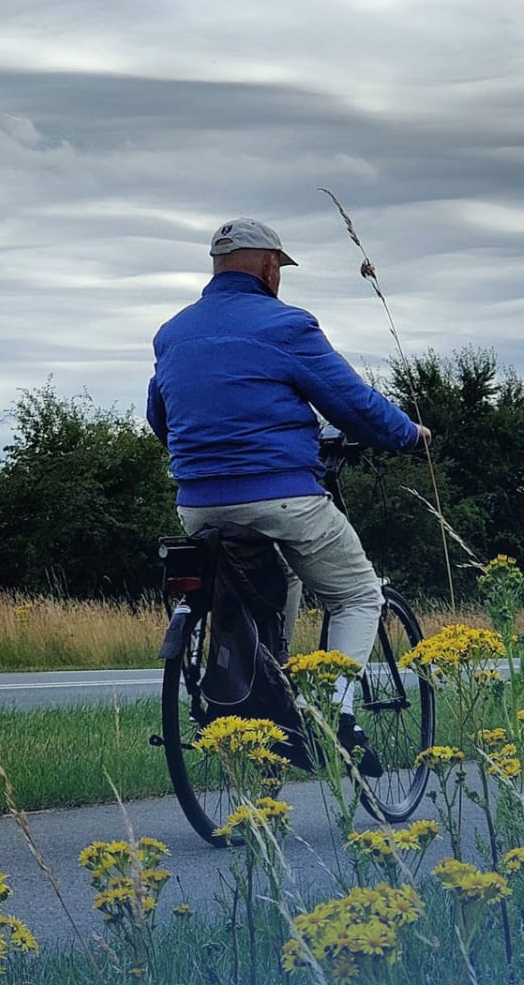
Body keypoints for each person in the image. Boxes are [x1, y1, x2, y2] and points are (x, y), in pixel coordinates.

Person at [147, 217, 430, 777]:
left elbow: (162, 417)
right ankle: (336, 713)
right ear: (271, 266)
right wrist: (408, 434)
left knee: (286, 577)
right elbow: (352, 403)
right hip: (283, 498)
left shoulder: (172, 333)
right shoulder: (287, 326)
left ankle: (271, 681)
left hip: (197, 503)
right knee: (356, 594)